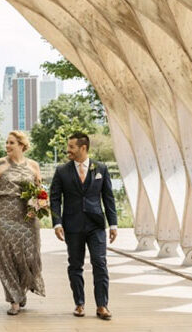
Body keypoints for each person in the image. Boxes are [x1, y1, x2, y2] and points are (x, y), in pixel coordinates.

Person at [50, 131, 117, 320]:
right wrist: (57, 223)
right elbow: (55, 199)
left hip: (96, 225)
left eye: (71, 147)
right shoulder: (62, 171)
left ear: (83, 148)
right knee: (75, 265)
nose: (67, 150)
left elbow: (108, 198)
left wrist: (113, 224)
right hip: (72, 225)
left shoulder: (100, 169)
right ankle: (79, 303)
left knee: (100, 263)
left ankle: (102, 305)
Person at [0, 131, 45, 315]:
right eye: (7, 142)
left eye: (11, 142)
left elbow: (39, 191)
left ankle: (22, 289)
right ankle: (14, 299)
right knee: (6, 256)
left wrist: (40, 204)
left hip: (27, 217)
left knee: (28, 257)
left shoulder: (33, 165)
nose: (8, 146)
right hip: (3, 216)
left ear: (21, 145)